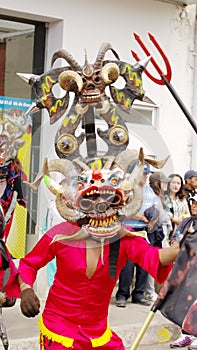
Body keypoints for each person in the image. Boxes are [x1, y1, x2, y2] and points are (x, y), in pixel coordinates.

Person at [115, 163, 159, 307]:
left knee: (143, 265)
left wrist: (153, 220)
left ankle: (138, 294)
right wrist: (140, 217)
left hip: (145, 231)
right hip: (129, 230)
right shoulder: (126, 188)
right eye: (143, 173)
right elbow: (123, 210)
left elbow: (156, 207)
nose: (146, 176)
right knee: (127, 265)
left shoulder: (149, 191)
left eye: (147, 174)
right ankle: (122, 295)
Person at [169, 194, 197, 350]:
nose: (194, 206)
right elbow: (176, 237)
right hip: (185, 266)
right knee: (184, 302)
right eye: (193, 203)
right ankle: (185, 334)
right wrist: (177, 243)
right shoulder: (186, 221)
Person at [165, 174, 190, 240]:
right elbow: (162, 213)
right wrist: (174, 219)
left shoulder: (182, 199)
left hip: (180, 231)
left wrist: (183, 219)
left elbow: (188, 214)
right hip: (168, 230)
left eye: (178, 183)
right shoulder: (164, 197)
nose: (176, 185)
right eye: (173, 182)